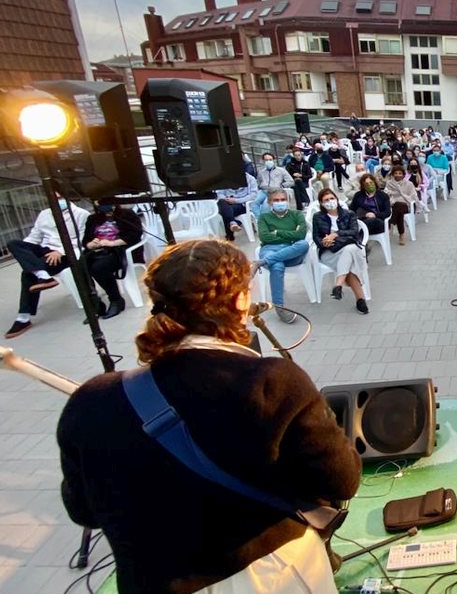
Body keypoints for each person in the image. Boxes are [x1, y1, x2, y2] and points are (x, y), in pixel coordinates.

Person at [58, 239, 361, 594]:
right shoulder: (270, 381)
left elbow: (84, 511)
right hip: (265, 575)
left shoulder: (90, 399)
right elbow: (341, 481)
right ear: (239, 300)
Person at [5, 194, 89, 338]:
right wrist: (27, 253)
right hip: (46, 250)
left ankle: (23, 317)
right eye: (54, 198)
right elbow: (34, 237)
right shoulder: (44, 214)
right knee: (14, 244)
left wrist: (60, 251)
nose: (57, 201)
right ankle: (42, 274)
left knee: (27, 273)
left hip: (68, 252)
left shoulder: (81, 214)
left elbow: (81, 240)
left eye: (60, 197)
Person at [254, 190, 310, 323]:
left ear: (288, 200)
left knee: (303, 244)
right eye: (276, 200)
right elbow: (264, 236)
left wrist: (277, 232)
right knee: (277, 265)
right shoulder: (264, 217)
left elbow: (300, 235)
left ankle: (260, 263)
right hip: (270, 249)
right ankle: (279, 307)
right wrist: (290, 233)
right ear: (269, 202)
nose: (280, 202)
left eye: (283, 199)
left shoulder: (297, 214)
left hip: (292, 251)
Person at [80, 202, 143, 320]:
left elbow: (135, 235)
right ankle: (95, 304)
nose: (99, 203)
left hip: (119, 251)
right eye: (97, 201)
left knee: (98, 268)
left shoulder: (126, 215)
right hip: (97, 251)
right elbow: (85, 241)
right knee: (79, 268)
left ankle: (116, 300)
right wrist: (91, 244)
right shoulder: (93, 218)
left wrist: (112, 243)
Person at [312, 189, 370, 315]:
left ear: (337, 199)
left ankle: (339, 284)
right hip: (329, 252)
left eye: (332, 198)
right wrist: (323, 242)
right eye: (326, 200)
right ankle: (360, 299)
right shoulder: (318, 217)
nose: (330, 202)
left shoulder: (349, 214)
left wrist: (335, 234)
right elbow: (315, 236)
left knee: (350, 250)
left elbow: (354, 232)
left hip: (347, 248)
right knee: (350, 259)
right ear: (321, 203)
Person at [216, 172, 258, 239]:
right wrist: (227, 199)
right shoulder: (224, 178)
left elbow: (253, 195)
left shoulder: (250, 179)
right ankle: (233, 223)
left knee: (224, 211)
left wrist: (236, 200)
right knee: (222, 203)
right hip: (227, 203)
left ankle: (230, 235)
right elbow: (219, 193)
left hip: (242, 204)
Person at [385, 165, 417, 246]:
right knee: (398, 209)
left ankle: (391, 224)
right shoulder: (389, 183)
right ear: (392, 174)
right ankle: (401, 235)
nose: (398, 175)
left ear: (403, 175)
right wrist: (393, 194)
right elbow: (387, 194)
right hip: (393, 205)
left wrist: (403, 196)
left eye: (400, 173)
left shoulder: (409, 184)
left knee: (400, 205)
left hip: (406, 204)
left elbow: (413, 195)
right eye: (396, 173)